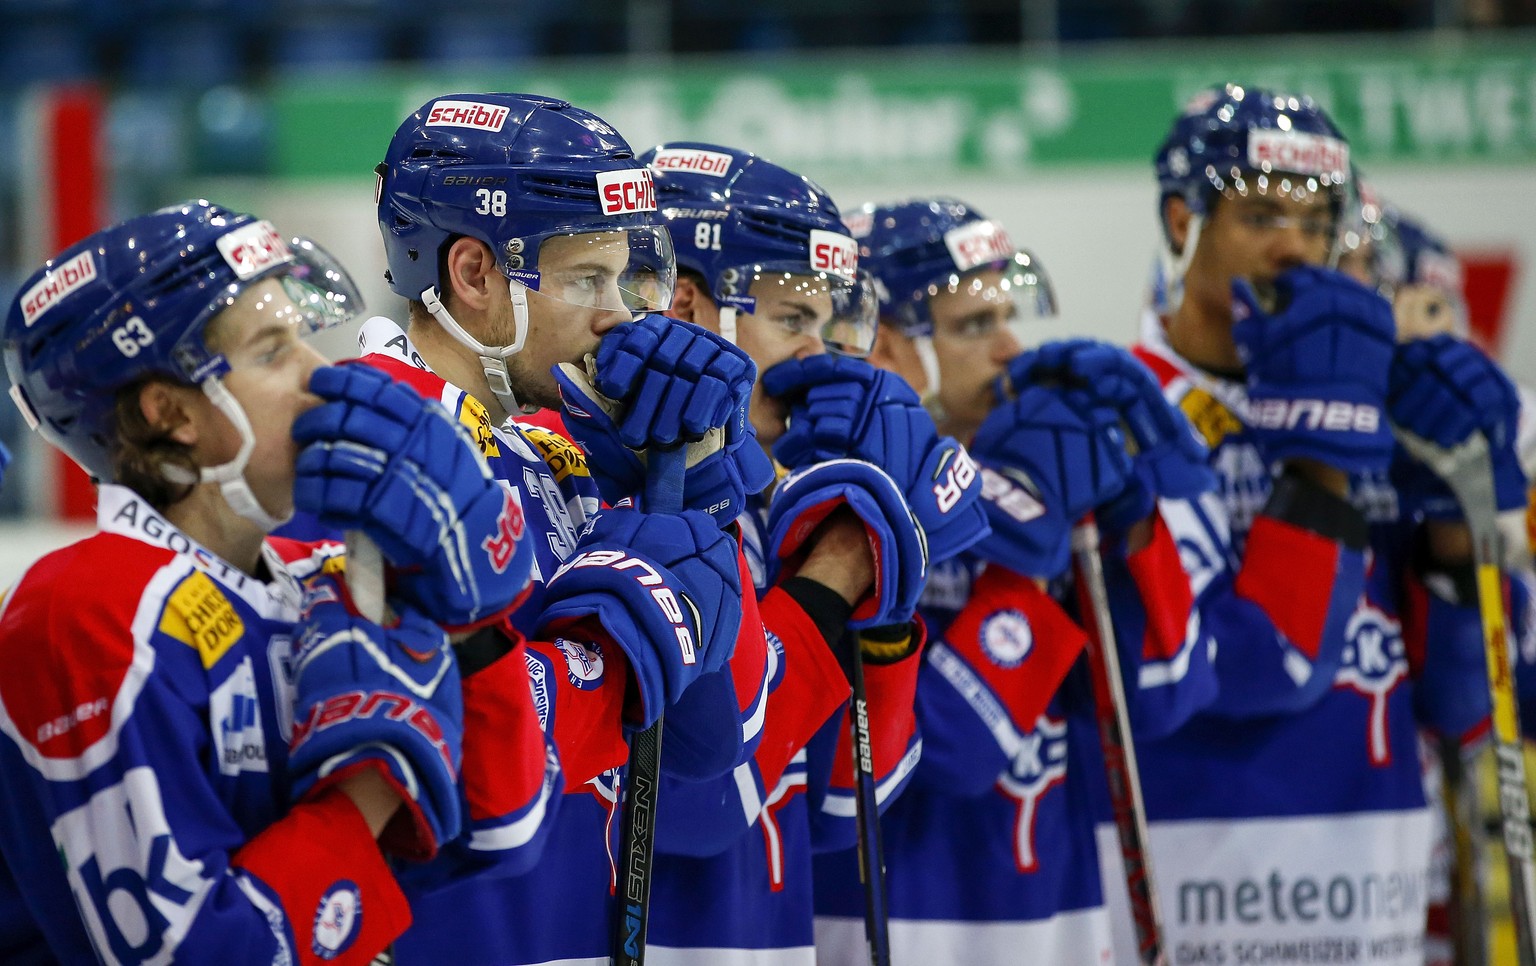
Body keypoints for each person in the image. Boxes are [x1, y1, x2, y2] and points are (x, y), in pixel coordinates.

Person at [0, 199, 535, 964]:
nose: (318, 373)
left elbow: (496, 838)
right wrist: (377, 780)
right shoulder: (88, 610)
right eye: (272, 349)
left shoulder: (316, 583)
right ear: (170, 411)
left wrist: (473, 626)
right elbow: (193, 951)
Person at [1110, 83, 1530, 963]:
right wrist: (1326, 437)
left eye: (1317, 220)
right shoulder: (1122, 408)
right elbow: (1221, 678)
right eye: (1261, 213)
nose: (1293, 249)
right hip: (1194, 884)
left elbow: (1463, 705)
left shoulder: (1390, 401)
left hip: (1377, 886)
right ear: (1182, 219)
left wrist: (1463, 520)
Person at [363, 94, 764, 966]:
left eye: (624, 279)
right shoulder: (374, 455)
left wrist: (693, 485)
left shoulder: (558, 447)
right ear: (473, 274)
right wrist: (630, 627)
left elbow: (708, 762)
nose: (619, 313)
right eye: (587, 278)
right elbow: (444, 762)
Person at [606, 141, 989, 964]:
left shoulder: (764, 501)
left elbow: (850, 808)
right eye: (790, 319)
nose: (817, 356)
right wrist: (839, 573)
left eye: (823, 323)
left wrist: (885, 609)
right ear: (682, 306)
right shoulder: (615, 497)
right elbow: (692, 804)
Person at [809, 197, 1215, 964]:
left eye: (1007, 318)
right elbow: (943, 754)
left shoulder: (1041, 466)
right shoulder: (841, 500)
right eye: (973, 326)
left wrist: (1134, 518)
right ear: (884, 345)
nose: (1010, 349)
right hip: (892, 921)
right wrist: (1023, 571)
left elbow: (1167, 697)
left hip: (1055, 915)